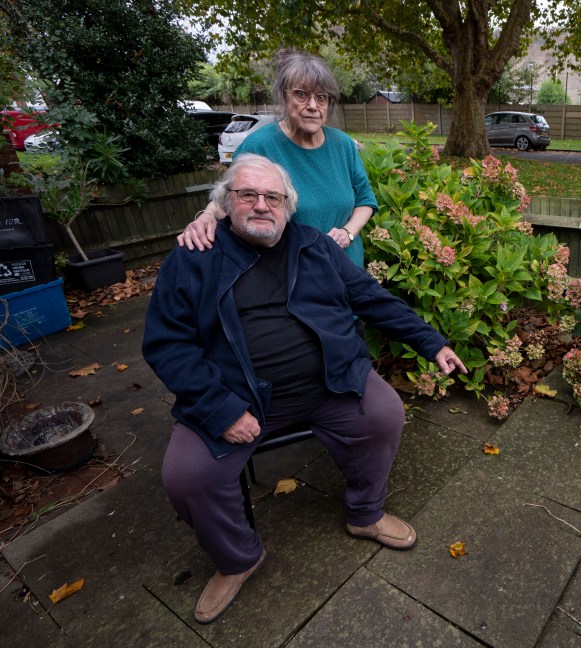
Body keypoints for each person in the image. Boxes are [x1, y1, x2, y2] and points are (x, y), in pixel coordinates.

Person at [142, 155, 466, 624]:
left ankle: (365, 513)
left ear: (288, 207)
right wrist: (218, 410)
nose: (261, 205)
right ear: (224, 203)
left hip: (330, 383)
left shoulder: (315, 246)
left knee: (384, 413)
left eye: (273, 197)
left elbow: (371, 299)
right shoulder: (193, 260)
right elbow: (168, 345)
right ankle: (238, 558)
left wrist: (431, 342)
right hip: (239, 399)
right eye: (247, 195)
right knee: (187, 476)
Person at [179, 48, 375, 267]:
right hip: (291, 277)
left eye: (321, 97)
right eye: (301, 94)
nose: (313, 106)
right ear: (283, 96)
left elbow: (365, 199)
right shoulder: (259, 145)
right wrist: (206, 217)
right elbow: (230, 198)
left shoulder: (343, 145)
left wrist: (348, 233)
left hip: (347, 268)